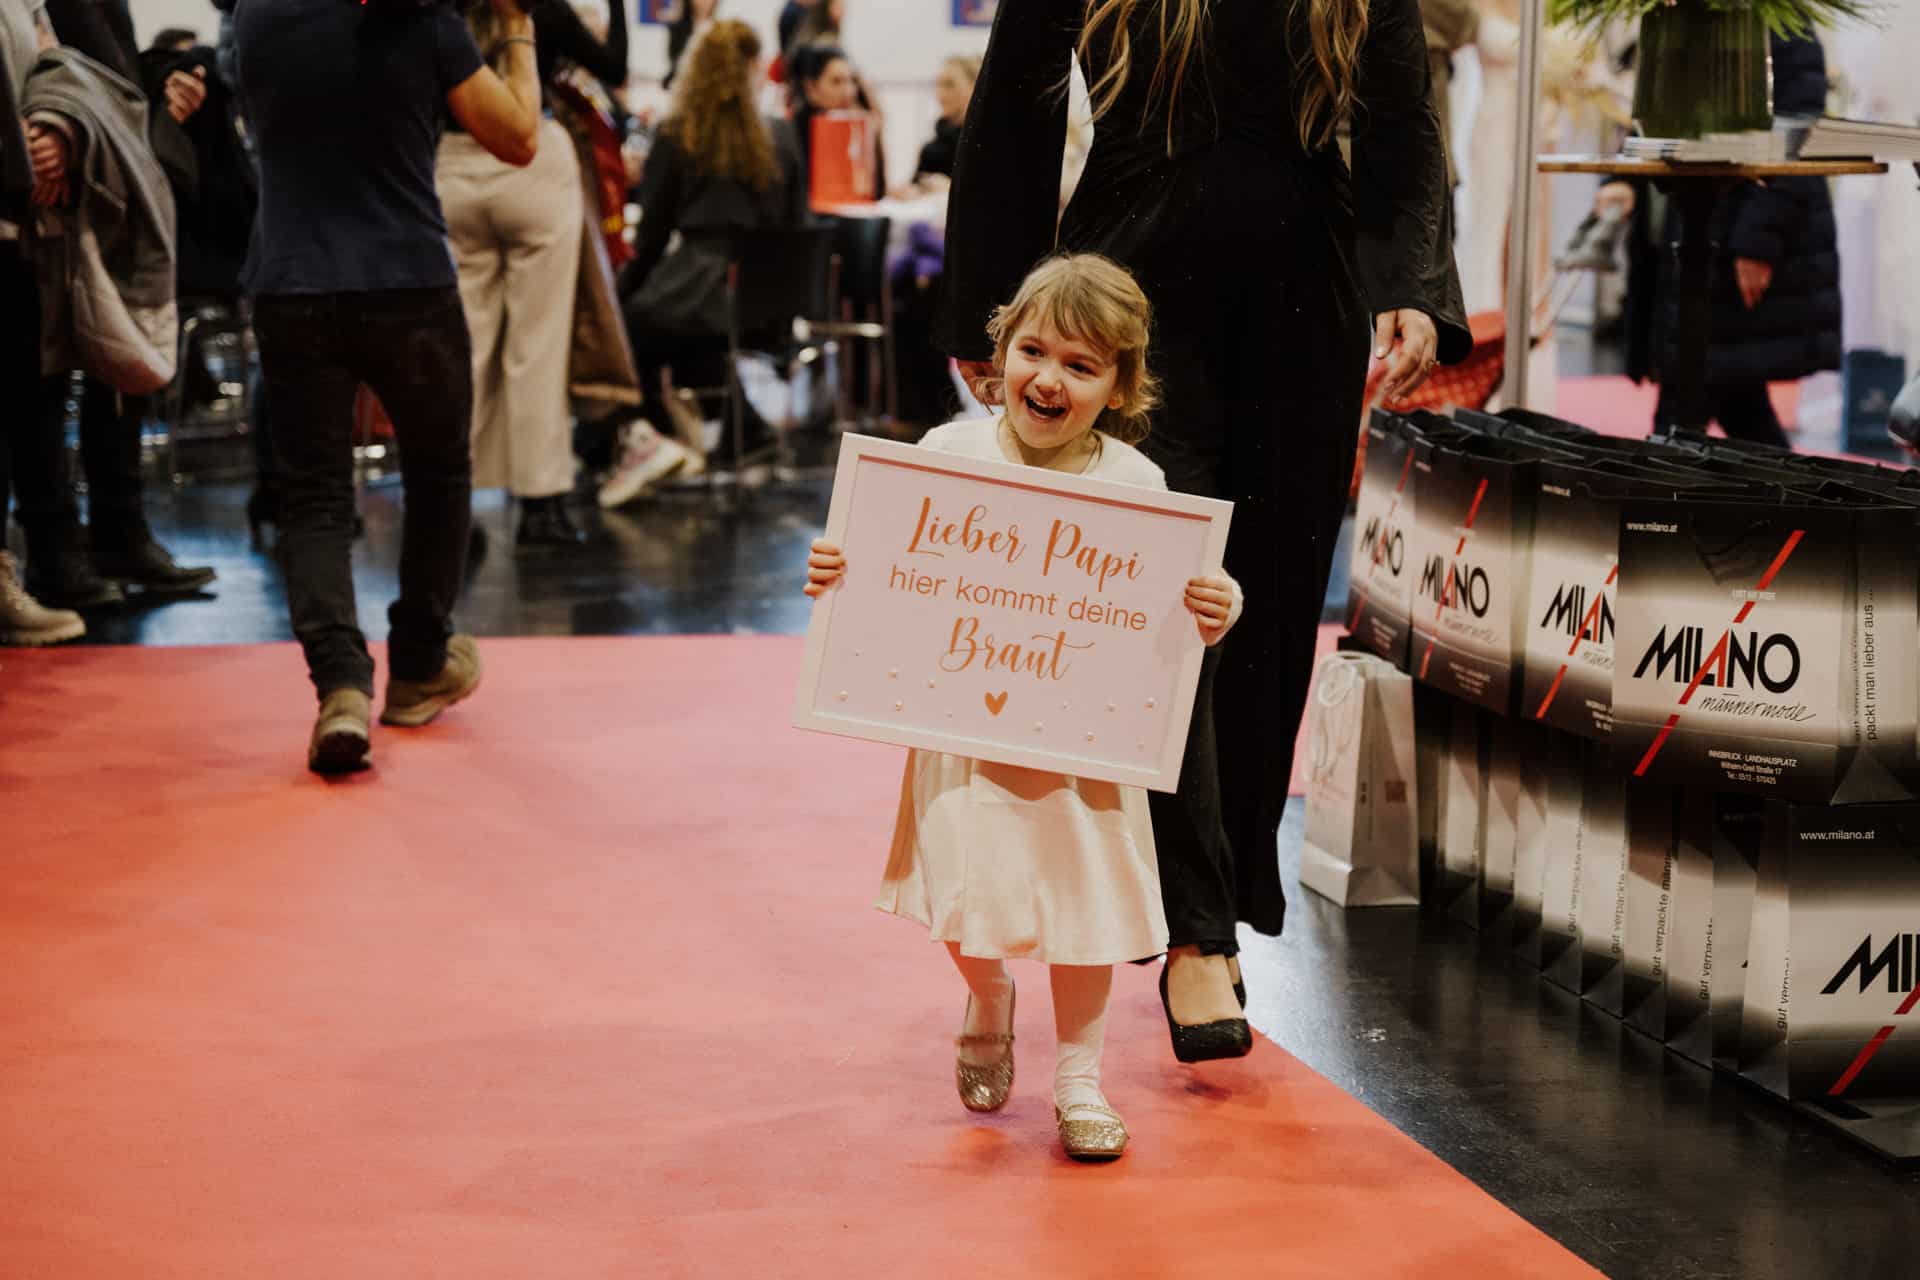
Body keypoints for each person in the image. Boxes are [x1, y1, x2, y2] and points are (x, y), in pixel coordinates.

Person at [939, 0, 1467, 1058]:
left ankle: (1218, 903)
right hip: (1131, 299)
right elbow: (1011, 115)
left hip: (1306, 305)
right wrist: (994, 316)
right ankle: (1198, 932)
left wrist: (1411, 287)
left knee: (1267, 611)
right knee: (1158, 611)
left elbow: (1402, 113)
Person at [803, 254, 1243, 1160]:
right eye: (1033, 352)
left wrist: (1216, 605)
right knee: (967, 896)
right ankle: (990, 993)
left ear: (1120, 388)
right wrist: (840, 574)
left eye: (1082, 366)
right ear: (997, 354)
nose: (1049, 378)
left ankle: (1079, 1076)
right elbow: (888, 569)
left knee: (1083, 906)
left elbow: (1171, 609)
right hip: (964, 737)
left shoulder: (1137, 485)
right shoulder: (945, 455)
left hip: (1086, 752)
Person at [234, 0, 544, 774]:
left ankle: (341, 687)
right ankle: (415, 668)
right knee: (438, 473)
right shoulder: (424, 23)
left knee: (312, 497)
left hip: (292, 283)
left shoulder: (256, 16)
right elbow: (518, 137)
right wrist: (516, 26)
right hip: (407, 283)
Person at [438, 0, 630, 549]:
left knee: (466, 349)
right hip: (530, 165)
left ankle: (454, 504)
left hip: (452, 166)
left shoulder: (441, 12)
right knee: (537, 345)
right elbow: (612, 68)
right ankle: (540, 505)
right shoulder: (539, 9)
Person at [1625, 31, 1840, 449]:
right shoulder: (1692, 17)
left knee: (1697, 391)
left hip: (1735, 232)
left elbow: (1795, 133)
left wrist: (1758, 241)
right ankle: (1795, 503)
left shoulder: (1782, 20)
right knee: (1731, 392)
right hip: (1697, 227)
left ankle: (1657, 504)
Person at [615, 18, 805, 483]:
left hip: (704, 289)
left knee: (632, 327)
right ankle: (742, 431)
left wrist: (619, 294)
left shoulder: (680, 134)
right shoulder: (780, 135)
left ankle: (647, 437)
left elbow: (652, 236)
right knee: (693, 337)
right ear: (754, 68)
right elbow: (798, 224)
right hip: (767, 299)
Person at [0, 0, 83, 645]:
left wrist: (55, 129)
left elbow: (56, 67)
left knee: (29, 404)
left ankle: (13, 578)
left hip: (13, 229)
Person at [893, 53, 978, 198]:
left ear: (974, 87)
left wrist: (951, 188)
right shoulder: (931, 149)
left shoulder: (981, 145)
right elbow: (915, 188)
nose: (941, 93)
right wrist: (908, 192)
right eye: (938, 84)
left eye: (950, 84)